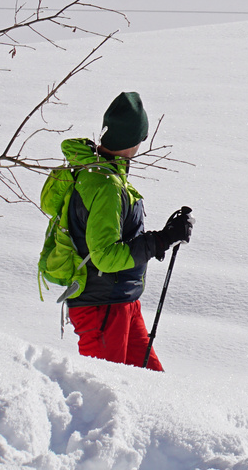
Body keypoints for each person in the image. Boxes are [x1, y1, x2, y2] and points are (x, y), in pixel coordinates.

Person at [59, 91, 193, 370]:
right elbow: (105, 256)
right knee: (107, 397)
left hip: (121, 301)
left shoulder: (103, 173)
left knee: (152, 386)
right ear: (134, 139)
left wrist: (163, 237)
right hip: (102, 308)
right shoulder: (105, 184)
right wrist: (161, 240)